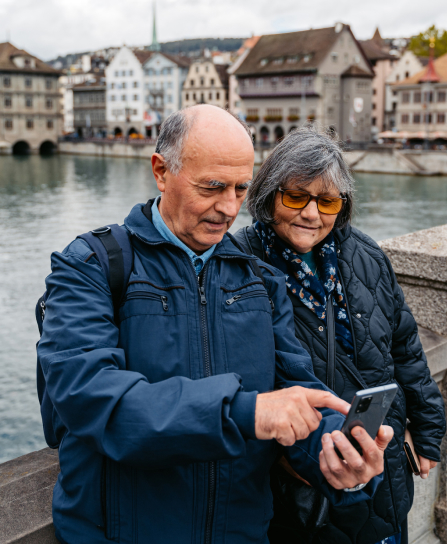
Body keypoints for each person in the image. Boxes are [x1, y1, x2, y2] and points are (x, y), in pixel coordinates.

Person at [37, 106, 394, 544]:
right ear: (161, 171)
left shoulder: (261, 279)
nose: (228, 208)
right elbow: (91, 399)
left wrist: (334, 455)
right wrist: (246, 412)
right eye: (212, 187)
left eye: (241, 189)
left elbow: (297, 396)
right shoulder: (90, 265)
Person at [235, 126, 446, 544]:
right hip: (300, 478)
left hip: (382, 462)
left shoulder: (366, 255)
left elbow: (405, 349)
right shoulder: (238, 265)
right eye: (296, 196)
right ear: (268, 194)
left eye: (327, 200)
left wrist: (428, 431)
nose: (311, 214)